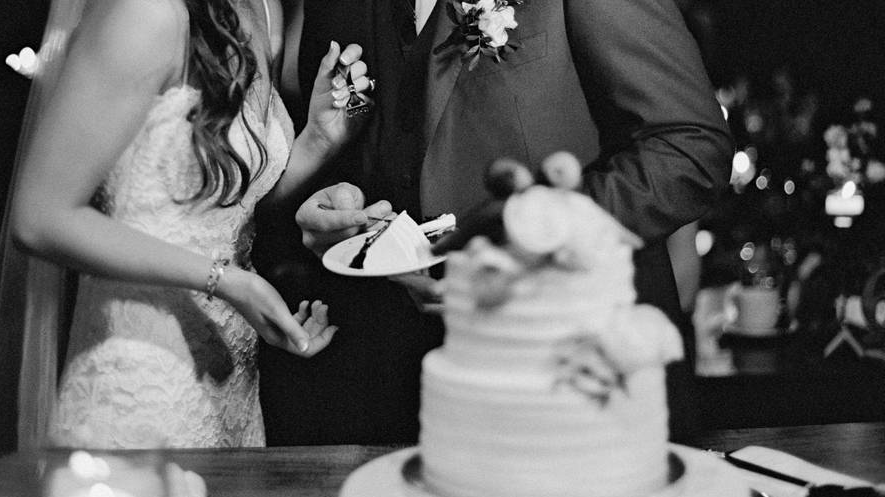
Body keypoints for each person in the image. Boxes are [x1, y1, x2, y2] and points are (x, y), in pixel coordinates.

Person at [253, 0, 733, 445]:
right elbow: (355, 144)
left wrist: (531, 234)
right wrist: (336, 203)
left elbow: (689, 146)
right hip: (399, 385)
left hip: (574, 371)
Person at [2, 0, 377, 448]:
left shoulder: (263, 7)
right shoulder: (143, 13)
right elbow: (40, 219)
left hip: (231, 382)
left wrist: (317, 140)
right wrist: (229, 283)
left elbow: (226, 207)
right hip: (138, 379)